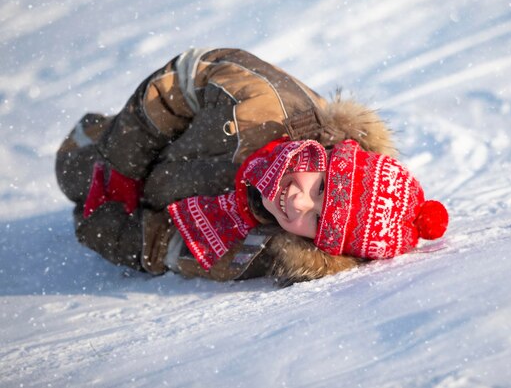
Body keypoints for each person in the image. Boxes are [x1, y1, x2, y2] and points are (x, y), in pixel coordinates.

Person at [56, 48, 448, 285]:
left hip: (151, 197)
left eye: (315, 222)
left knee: (81, 199)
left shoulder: (257, 249)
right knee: (71, 166)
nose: (298, 202)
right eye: (323, 188)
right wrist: (122, 164)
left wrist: (107, 228)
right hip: (143, 140)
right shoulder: (268, 108)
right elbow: (192, 73)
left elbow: (166, 248)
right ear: (331, 154)